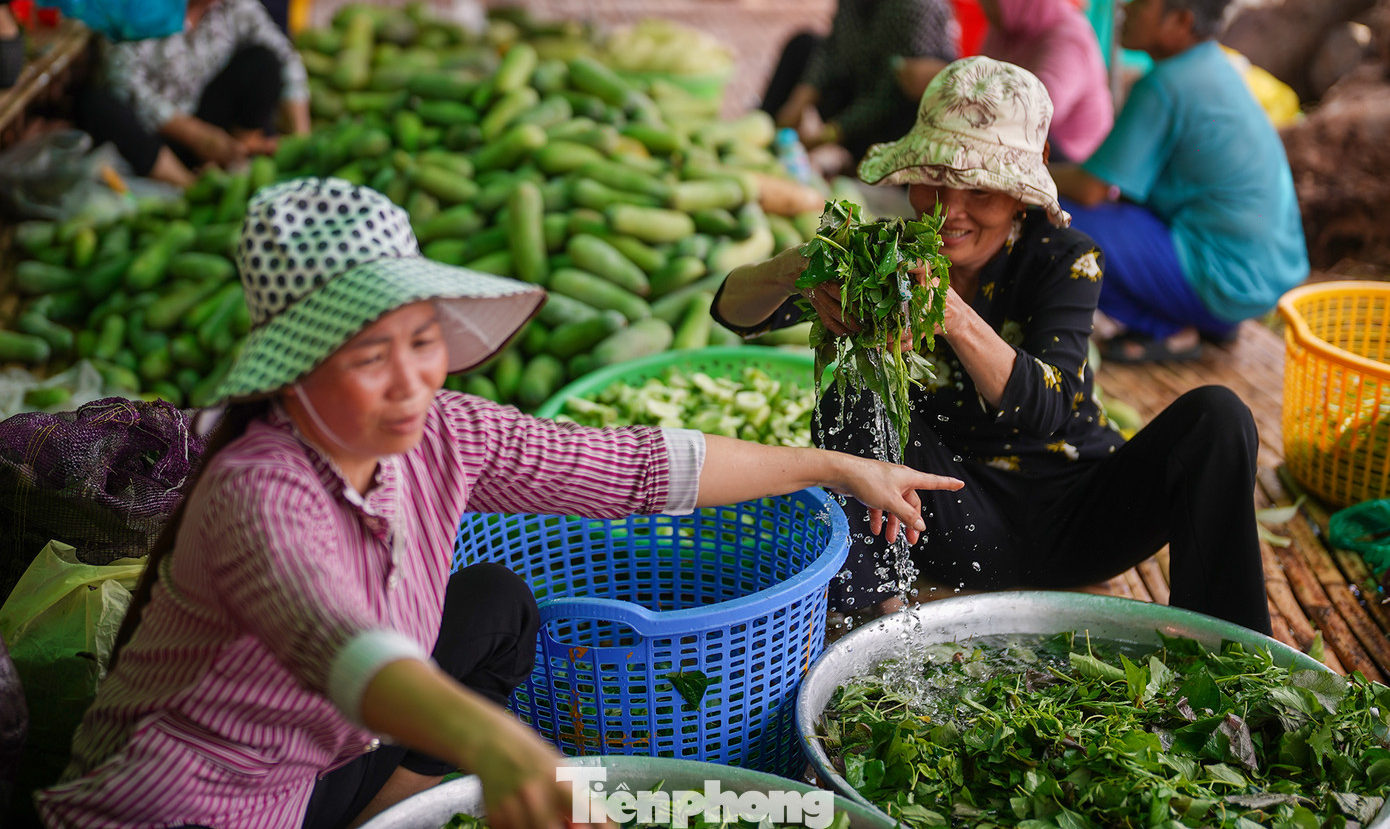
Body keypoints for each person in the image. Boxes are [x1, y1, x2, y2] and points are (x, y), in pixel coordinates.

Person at [36, 178, 962, 828]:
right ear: (295, 369)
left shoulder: (443, 432)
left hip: (321, 757)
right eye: (369, 358)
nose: (409, 383)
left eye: (420, 342)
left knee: (493, 609)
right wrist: (509, 752)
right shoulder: (257, 488)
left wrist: (834, 466)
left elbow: (637, 467)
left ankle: (396, 801)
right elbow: (349, 651)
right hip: (193, 802)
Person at [713, 56, 1272, 637]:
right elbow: (734, 313)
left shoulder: (1063, 256)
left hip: (1078, 518)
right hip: (949, 522)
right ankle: (874, 611)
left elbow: (1050, 411)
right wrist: (798, 267)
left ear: (1021, 193)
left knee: (1218, 417)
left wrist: (949, 313)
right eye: (932, 179)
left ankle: (1232, 648)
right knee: (852, 391)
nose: (950, 210)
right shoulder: (884, 260)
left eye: (979, 190)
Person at [1051, 0, 1309, 363]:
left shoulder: (1167, 85)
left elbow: (1093, 187)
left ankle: (1168, 326)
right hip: (1260, 276)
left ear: (1181, 21)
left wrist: (1012, 169)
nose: (1125, 6)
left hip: (1226, 278)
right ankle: (1201, 321)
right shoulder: (1210, 65)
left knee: (1052, 219)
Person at [75, 0, 310, 187]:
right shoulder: (140, 7)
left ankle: (240, 156)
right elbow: (126, 85)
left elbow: (285, 55)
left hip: (210, 122)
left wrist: (302, 138)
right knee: (99, 104)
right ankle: (185, 184)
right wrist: (197, 136)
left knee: (264, 60)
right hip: (160, 136)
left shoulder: (232, 0)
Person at [761, 0, 955, 165]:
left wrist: (831, 132)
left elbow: (888, 92)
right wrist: (802, 96)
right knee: (803, 45)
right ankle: (765, 132)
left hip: (891, 113)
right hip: (858, 85)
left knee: (907, 106)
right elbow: (835, 45)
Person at [896, 0, 1113, 163]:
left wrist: (947, 83)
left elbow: (1032, 115)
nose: (982, 2)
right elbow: (986, 81)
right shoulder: (1008, 25)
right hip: (1014, 142)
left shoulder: (1068, 39)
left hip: (1064, 162)